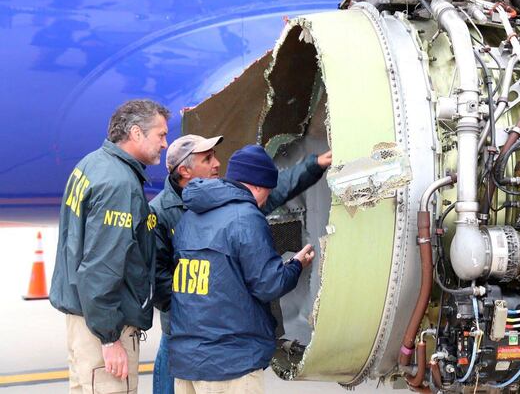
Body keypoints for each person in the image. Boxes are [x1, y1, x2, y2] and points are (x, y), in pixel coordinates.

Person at [169, 145, 325, 394]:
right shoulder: (246, 217)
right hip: (231, 363)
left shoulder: (190, 215)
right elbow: (268, 284)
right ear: (259, 186)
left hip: (188, 361)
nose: (266, 201)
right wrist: (296, 265)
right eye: (268, 191)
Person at [50, 99, 170, 394]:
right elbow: (101, 267)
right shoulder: (119, 185)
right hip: (102, 326)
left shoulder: (92, 163)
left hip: (82, 318)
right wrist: (109, 338)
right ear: (136, 133)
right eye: (161, 135)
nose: (165, 144)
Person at [151, 134, 224, 394]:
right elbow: (158, 280)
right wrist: (192, 308)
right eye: (208, 158)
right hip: (181, 331)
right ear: (184, 171)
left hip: (210, 329)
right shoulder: (159, 212)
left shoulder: (216, 199)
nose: (217, 163)